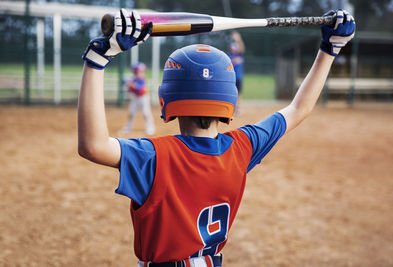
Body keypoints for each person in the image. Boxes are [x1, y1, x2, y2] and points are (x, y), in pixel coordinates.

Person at [78, 8, 355, 267]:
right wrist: (331, 50)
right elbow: (298, 109)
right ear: (229, 101)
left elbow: (93, 146)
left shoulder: (155, 155)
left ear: (167, 99)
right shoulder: (243, 146)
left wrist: (98, 60)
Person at [121, 62, 155, 135]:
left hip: (143, 98)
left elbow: (140, 89)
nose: (140, 73)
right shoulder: (133, 79)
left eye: (141, 71)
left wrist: (130, 84)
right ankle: (128, 127)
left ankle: (150, 128)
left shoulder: (142, 79)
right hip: (135, 98)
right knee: (131, 113)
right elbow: (130, 90)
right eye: (139, 71)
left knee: (146, 113)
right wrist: (128, 85)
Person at [228, 31, 245, 113]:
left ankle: (237, 109)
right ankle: (231, 108)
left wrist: (238, 39)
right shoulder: (229, 56)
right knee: (231, 93)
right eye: (233, 48)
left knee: (239, 93)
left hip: (239, 77)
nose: (234, 49)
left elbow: (242, 48)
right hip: (231, 77)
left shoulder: (240, 55)